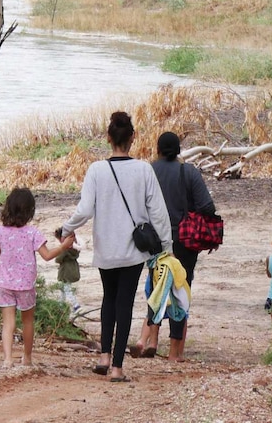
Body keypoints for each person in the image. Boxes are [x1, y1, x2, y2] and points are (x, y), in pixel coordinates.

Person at [60, 111, 171, 382]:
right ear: (132, 138)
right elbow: (158, 212)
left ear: (108, 138)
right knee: (124, 304)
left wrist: (67, 228)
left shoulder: (97, 170)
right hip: (133, 251)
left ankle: (103, 357)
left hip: (106, 249)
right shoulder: (144, 169)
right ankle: (118, 368)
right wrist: (167, 245)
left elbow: (85, 209)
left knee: (108, 300)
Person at [132, 131, 218, 362]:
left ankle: (151, 340)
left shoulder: (149, 171)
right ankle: (173, 354)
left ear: (158, 150)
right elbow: (207, 207)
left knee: (157, 288)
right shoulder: (188, 172)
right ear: (178, 150)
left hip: (155, 243)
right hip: (184, 241)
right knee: (180, 291)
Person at [0, 187, 75, 368]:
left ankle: (7, 359)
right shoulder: (33, 233)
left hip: (4, 282)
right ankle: (27, 358)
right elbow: (46, 256)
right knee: (27, 321)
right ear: (30, 211)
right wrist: (63, 246)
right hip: (25, 284)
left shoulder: (0, 231)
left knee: (8, 322)